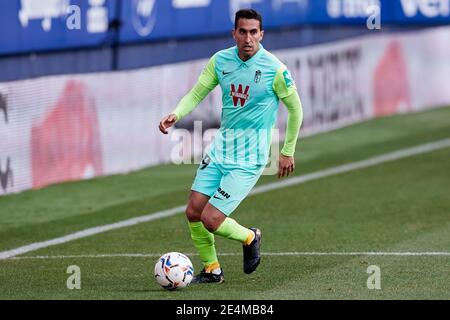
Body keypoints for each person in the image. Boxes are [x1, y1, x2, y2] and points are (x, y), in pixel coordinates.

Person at [158, 8, 303, 284]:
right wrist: (176, 114)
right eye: (243, 32)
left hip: (251, 157)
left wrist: (287, 151)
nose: (248, 38)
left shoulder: (275, 69)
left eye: (253, 32)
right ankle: (212, 270)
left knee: (211, 219)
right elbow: (198, 92)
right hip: (221, 150)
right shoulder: (220, 60)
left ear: (261, 34)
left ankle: (250, 237)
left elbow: (296, 110)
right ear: (234, 33)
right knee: (193, 212)